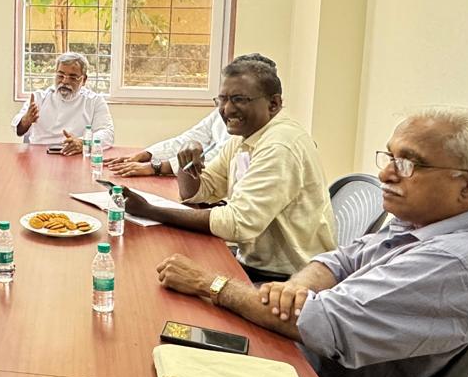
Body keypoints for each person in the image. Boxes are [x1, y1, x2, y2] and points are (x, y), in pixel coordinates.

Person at [152, 106, 468, 377]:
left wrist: (210, 283)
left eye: (409, 164)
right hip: (304, 350)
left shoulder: (456, 263)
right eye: (390, 156)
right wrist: (296, 287)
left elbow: (319, 322)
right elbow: (342, 259)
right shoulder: (422, 223)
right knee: (167, 336)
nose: (386, 173)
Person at [124, 58, 336, 280]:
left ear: (273, 104)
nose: (227, 109)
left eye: (239, 99)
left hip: (288, 279)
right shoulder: (245, 137)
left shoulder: (280, 145)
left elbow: (237, 224)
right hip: (253, 262)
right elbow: (199, 191)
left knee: (163, 277)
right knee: (158, 266)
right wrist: (185, 161)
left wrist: (151, 211)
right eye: (223, 99)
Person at [106, 53, 277, 176]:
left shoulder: (270, 139)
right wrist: (148, 154)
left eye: (240, 97)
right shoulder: (225, 110)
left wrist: (156, 167)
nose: (229, 106)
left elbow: (217, 157)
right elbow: (190, 138)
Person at [12, 51, 114, 155]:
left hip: (75, 155)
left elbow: (107, 134)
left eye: (72, 77)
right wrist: (26, 120)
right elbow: (18, 129)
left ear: (84, 80)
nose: (65, 81)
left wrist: (83, 142)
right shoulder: (39, 98)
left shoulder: (94, 101)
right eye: (60, 75)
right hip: (40, 154)